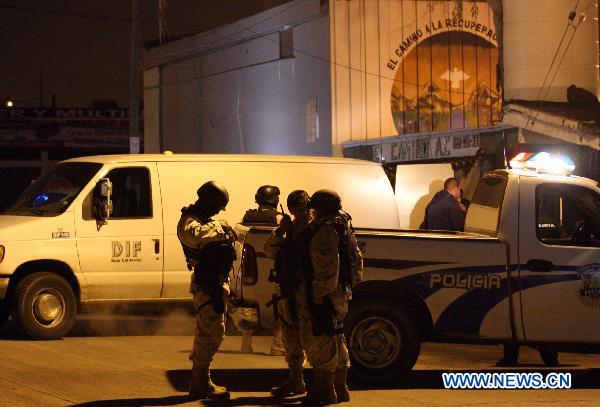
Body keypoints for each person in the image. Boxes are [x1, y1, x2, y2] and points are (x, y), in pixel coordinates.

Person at [299, 189, 363, 404]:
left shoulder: (326, 230)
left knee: (323, 338)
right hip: (341, 292)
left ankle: (325, 391)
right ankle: (341, 388)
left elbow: (327, 268)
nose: (313, 212)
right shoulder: (343, 226)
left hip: (328, 292)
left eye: (316, 208)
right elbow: (357, 261)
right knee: (336, 337)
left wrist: (319, 295)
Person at [177, 181, 236, 400]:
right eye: (216, 206)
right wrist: (222, 227)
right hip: (207, 282)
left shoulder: (207, 222)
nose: (217, 212)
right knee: (208, 332)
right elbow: (197, 235)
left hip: (216, 282)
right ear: (207, 201)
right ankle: (200, 383)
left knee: (214, 332)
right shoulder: (189, 222)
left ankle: (201, 381)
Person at [263, 190, 313, 397]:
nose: (297, 213)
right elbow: (269, 249)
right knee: (291, 337)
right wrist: (281, 231)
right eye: (294, 209)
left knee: (314, 338)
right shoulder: (289, 229)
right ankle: (296, 380)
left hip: (309, 292)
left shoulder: (317, 229)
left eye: (301, 208)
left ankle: (324, 384)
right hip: (290, 291)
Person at [241, 184, 286, 356]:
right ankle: (278, 345)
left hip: (250, 268)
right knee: (280, 307)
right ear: (275, 200)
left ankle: (246, 343)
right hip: (274, 269)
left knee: (249, 305)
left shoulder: (248, 216)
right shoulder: (280, 219)